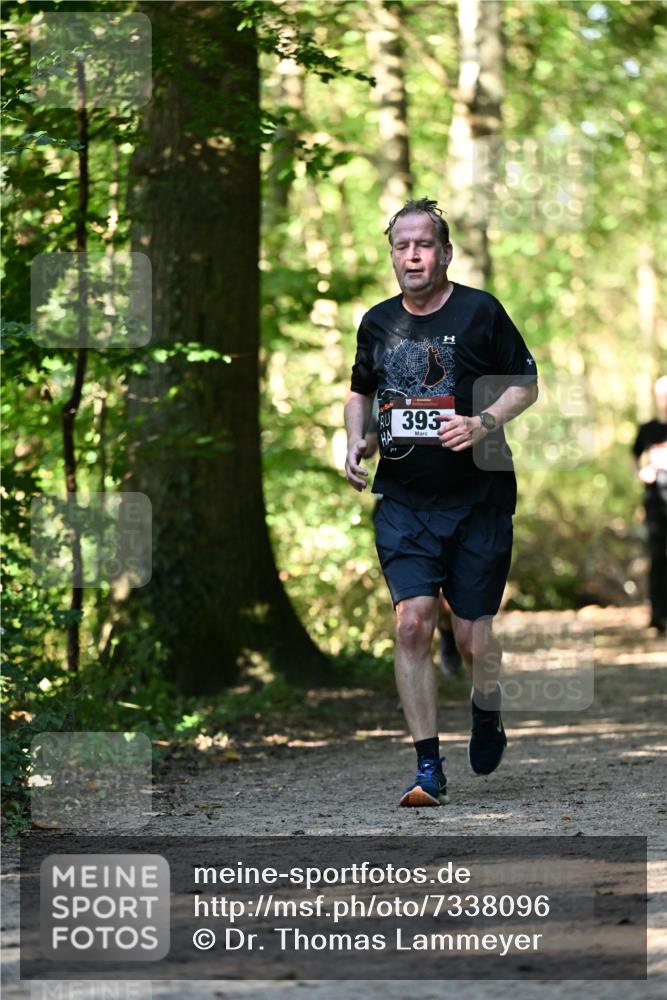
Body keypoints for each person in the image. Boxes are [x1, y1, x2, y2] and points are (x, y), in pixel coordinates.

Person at [343, 198, 538, 808]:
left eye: (423, 244)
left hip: (479, 495)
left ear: (445, 252)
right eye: (402, 246)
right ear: (393, 255)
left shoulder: (481, 311)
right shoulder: (376, 322)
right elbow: (361, 392)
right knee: (410, 624)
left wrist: (483, 422)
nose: (412, 255)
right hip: (404, 499)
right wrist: (357, 437)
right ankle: (428, 767)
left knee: (475, 637)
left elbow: (525, 383)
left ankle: (487, 710)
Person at [632, 375, 667, 634]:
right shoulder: (649, 429)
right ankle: (658, 616)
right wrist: (640, 473)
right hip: (655, 505)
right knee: (657, 558)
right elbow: (633, 456)